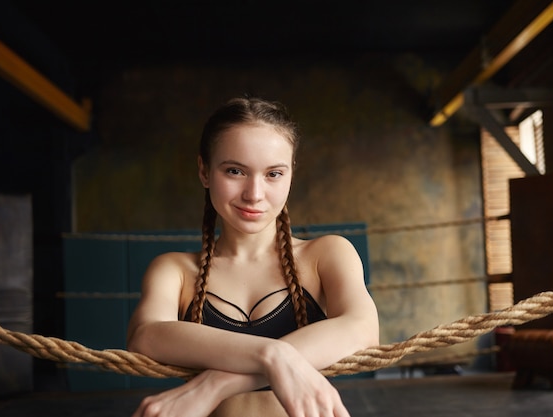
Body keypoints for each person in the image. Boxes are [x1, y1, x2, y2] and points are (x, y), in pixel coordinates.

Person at [127, 96, 379, 417]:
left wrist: (214, 384)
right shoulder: (175, 270)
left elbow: (362, 329)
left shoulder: (326, 254)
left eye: (273, 174)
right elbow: (146, 335)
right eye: (235, 171)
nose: (254, 194)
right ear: (204, 171)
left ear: (291, 174)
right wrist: (273, 356)